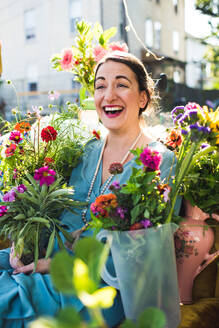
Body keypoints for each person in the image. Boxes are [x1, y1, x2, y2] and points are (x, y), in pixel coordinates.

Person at [0, 51, 180, 327]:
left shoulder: (159, 161)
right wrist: (24, 244)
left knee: (8, 298)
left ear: (143, 98)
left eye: (121, 84)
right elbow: (55, 216)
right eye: (100, 86)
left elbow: (142, 250)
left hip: (102, 284)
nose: (108, 95)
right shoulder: (85, 152)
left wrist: (64, 265)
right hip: (50, 259)